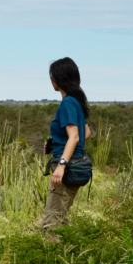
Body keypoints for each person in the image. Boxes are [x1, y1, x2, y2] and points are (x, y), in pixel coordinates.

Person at [42, 57, 92, 231]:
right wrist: (57, 144)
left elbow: (75, 137)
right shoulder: (77, 102)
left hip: (68, 168)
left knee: (51, 225)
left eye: (53, 76)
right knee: (60, 219)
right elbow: (86, 133)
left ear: (58, 79)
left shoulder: (68, 103)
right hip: (77, 165)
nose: (51, 79)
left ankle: (54, 249)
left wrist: (62, 165)